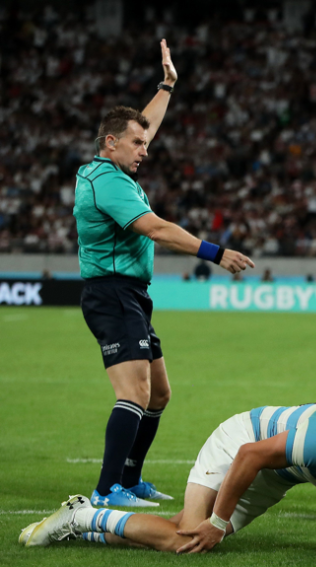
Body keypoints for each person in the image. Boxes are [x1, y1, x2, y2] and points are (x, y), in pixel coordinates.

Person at [73, 40, 254, 507]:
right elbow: (154, 228)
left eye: (144, 141)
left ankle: (129, 479)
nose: (145, 149)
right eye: (136, 143)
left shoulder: (115, 171)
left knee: (159, 394)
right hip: (111, 292)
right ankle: (107, 490)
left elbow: (146, 125)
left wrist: (167, 84)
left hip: (132, 293)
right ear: (110, 142)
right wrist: (215, 253)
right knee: (134, 391)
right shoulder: (106, 181)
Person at [20, 404, 316, 561]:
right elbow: (250, 456)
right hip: (244, 442)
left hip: (279, 475)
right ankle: (82, 514)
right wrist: (217, 523)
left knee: (185, 531)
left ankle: (80, 531)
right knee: (188, 536)